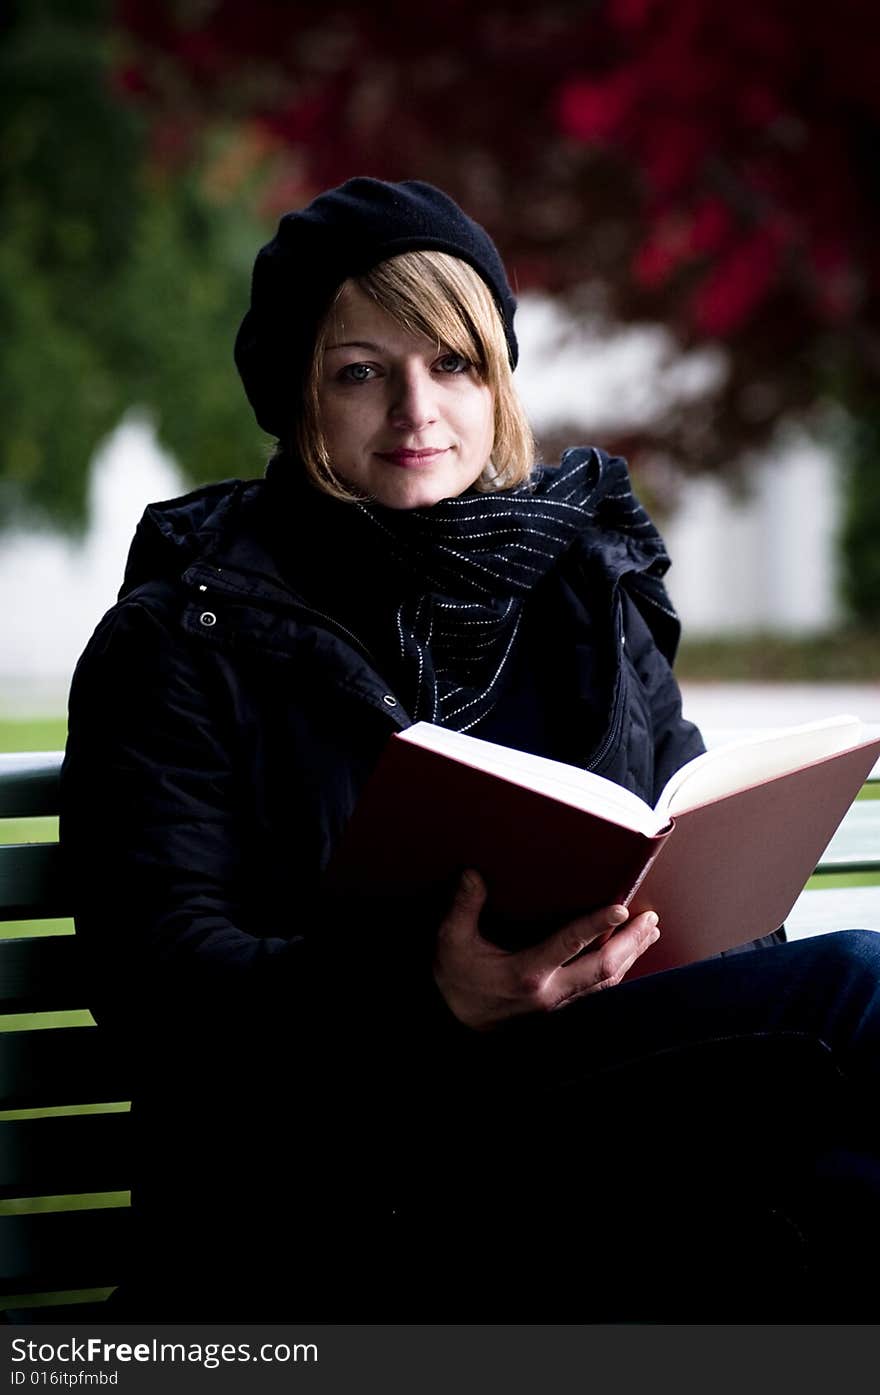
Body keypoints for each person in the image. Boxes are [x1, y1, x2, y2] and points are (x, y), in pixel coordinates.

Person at [60, 177, 880, 1324]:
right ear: (293, 392)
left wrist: (701, 915)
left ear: (496, 381)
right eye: (360, 372)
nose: (416, 411)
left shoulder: (584, 597)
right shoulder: (185, 638)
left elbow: (687, 848)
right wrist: (423, 995)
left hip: (596, 1117)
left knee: (840, 1151)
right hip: (346, 1179)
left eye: (451, 363)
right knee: (858, 984)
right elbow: (162, 990)